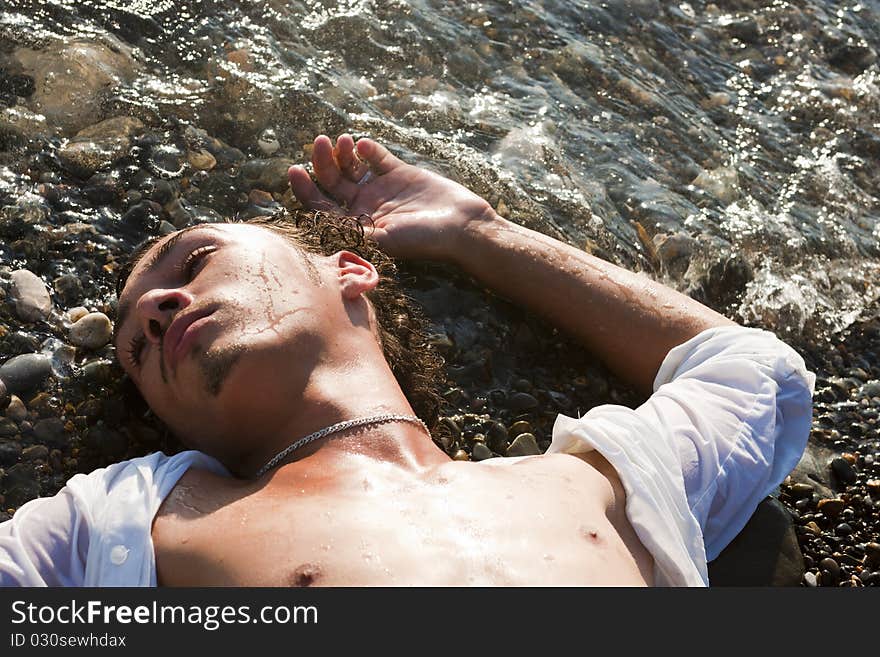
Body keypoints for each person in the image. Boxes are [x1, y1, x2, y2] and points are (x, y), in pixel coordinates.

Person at [0, 134, 814, 587]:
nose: (151, 311)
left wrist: (479, 234)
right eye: (135, 346)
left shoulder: (591, 480)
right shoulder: (128, 523)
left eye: (193, 261)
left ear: (348, 271)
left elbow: (754, 370)